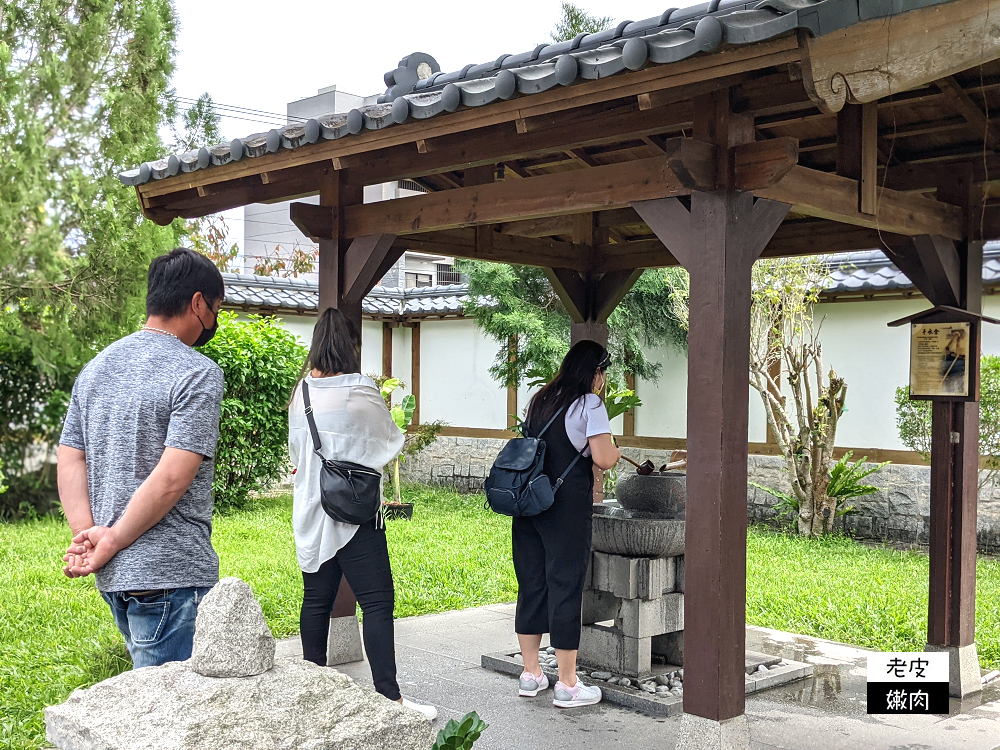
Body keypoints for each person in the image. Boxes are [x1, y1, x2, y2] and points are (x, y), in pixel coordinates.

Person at [58, 248, 225, 668]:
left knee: (145, 705)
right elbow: (172, 477)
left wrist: (88, 533)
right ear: (199, 303)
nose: (213, 323)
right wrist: (109, 538)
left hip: (113, 572)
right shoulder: (197, 372)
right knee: (169, 720)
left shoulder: (96, 368)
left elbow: (69, 458)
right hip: (172, 574)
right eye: (216, 310)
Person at [287, 307, 437, 720]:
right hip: (355, 514)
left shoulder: (300, 394)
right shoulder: (360, 389)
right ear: (351, 346)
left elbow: (296, 455)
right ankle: (390, 699)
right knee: (377, 602)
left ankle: (311, 697)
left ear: (317, 344)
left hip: (313, 513)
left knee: (315, 602)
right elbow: (390, 442)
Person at [513, 340, 621, 708]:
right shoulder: (589, 403)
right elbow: (604, 459)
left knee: (531, 583)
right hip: (565, 508)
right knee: (565, 585)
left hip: (528, 503)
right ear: (596, 372)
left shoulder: (541, 398)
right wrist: (616, 449)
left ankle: (531, 675)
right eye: (603, 373)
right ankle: (568, 684)